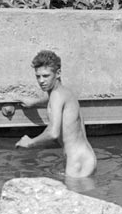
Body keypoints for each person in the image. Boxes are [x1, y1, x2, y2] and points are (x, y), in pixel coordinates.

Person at [16, 49, 98, 179]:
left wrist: (30, 143)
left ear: (58, 73)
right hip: (84, 157)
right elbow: (51, 101)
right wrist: (34, 103)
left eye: (46, 76)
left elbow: (53, 133)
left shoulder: (56, 96)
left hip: (77, 162)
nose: (41, 81)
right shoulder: (64, 93)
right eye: (38, 76)